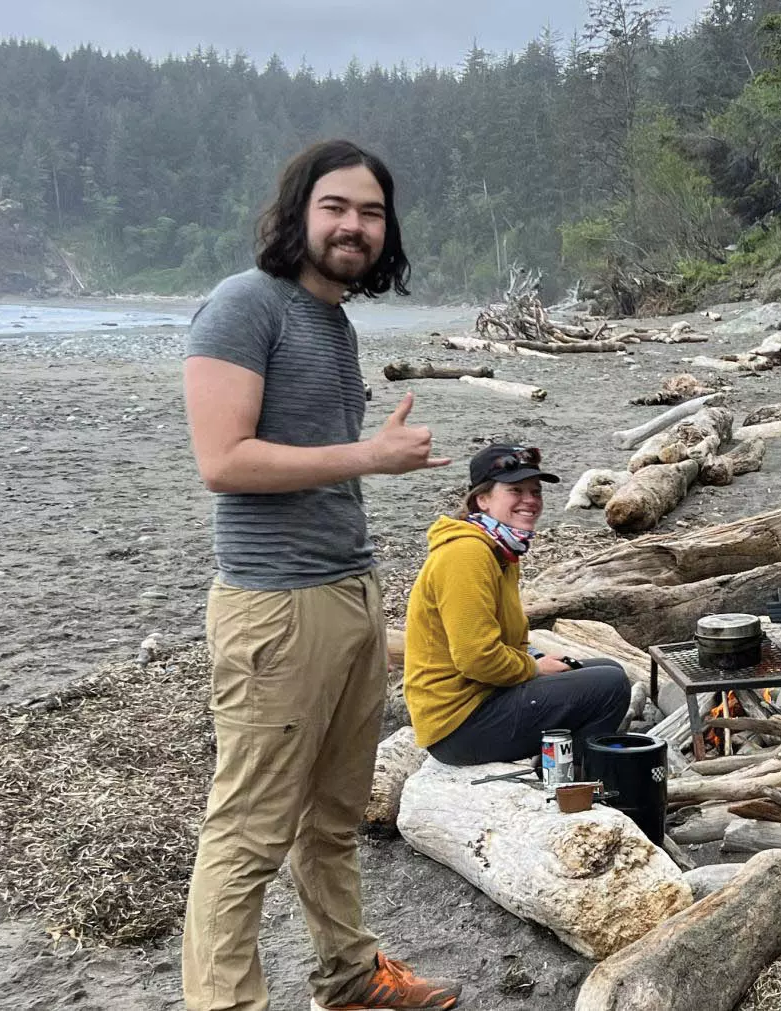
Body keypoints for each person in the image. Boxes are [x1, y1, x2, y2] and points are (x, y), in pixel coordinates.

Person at [181, 140, 460, 1011]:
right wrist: (372, 456)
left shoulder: (330, 319)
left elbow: (311, 460)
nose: (354, 225)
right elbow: (222, 461)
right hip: (274, 607)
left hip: (347, 590)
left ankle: (349, 977)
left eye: (371, 213)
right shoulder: (241, 306)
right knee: (249, 831)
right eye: (336, 206)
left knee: (334, 819)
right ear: (298, 209)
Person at [402, 444, 632, 767]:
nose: (530, 500)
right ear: (482, 499)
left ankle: (556, 768)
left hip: (484, 699)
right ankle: (572, 785)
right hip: (458, 725)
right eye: (515, 490)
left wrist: (534, 659)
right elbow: (476, 658)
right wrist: (534, 668)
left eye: (535, 491)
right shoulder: (466, 554)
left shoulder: (500, 550)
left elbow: (500, 640)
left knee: (608, 669)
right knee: (610, 687)